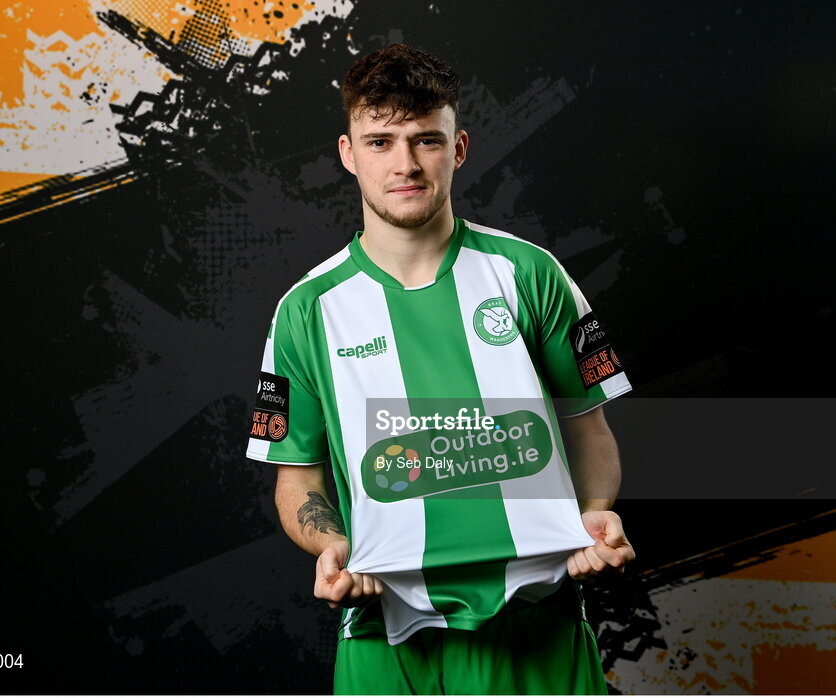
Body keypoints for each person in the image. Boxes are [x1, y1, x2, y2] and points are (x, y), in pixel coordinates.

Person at [246, 43, 635, 695]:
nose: (405, 164)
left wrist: (594, 515)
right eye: (380, 142)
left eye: (426, 140)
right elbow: (298, 478)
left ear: (458, 148)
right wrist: (330, 545)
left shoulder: (530, 274)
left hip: (535, 617)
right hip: (386, 630)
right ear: (348, 153)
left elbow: (588, 430)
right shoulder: (306, 311)